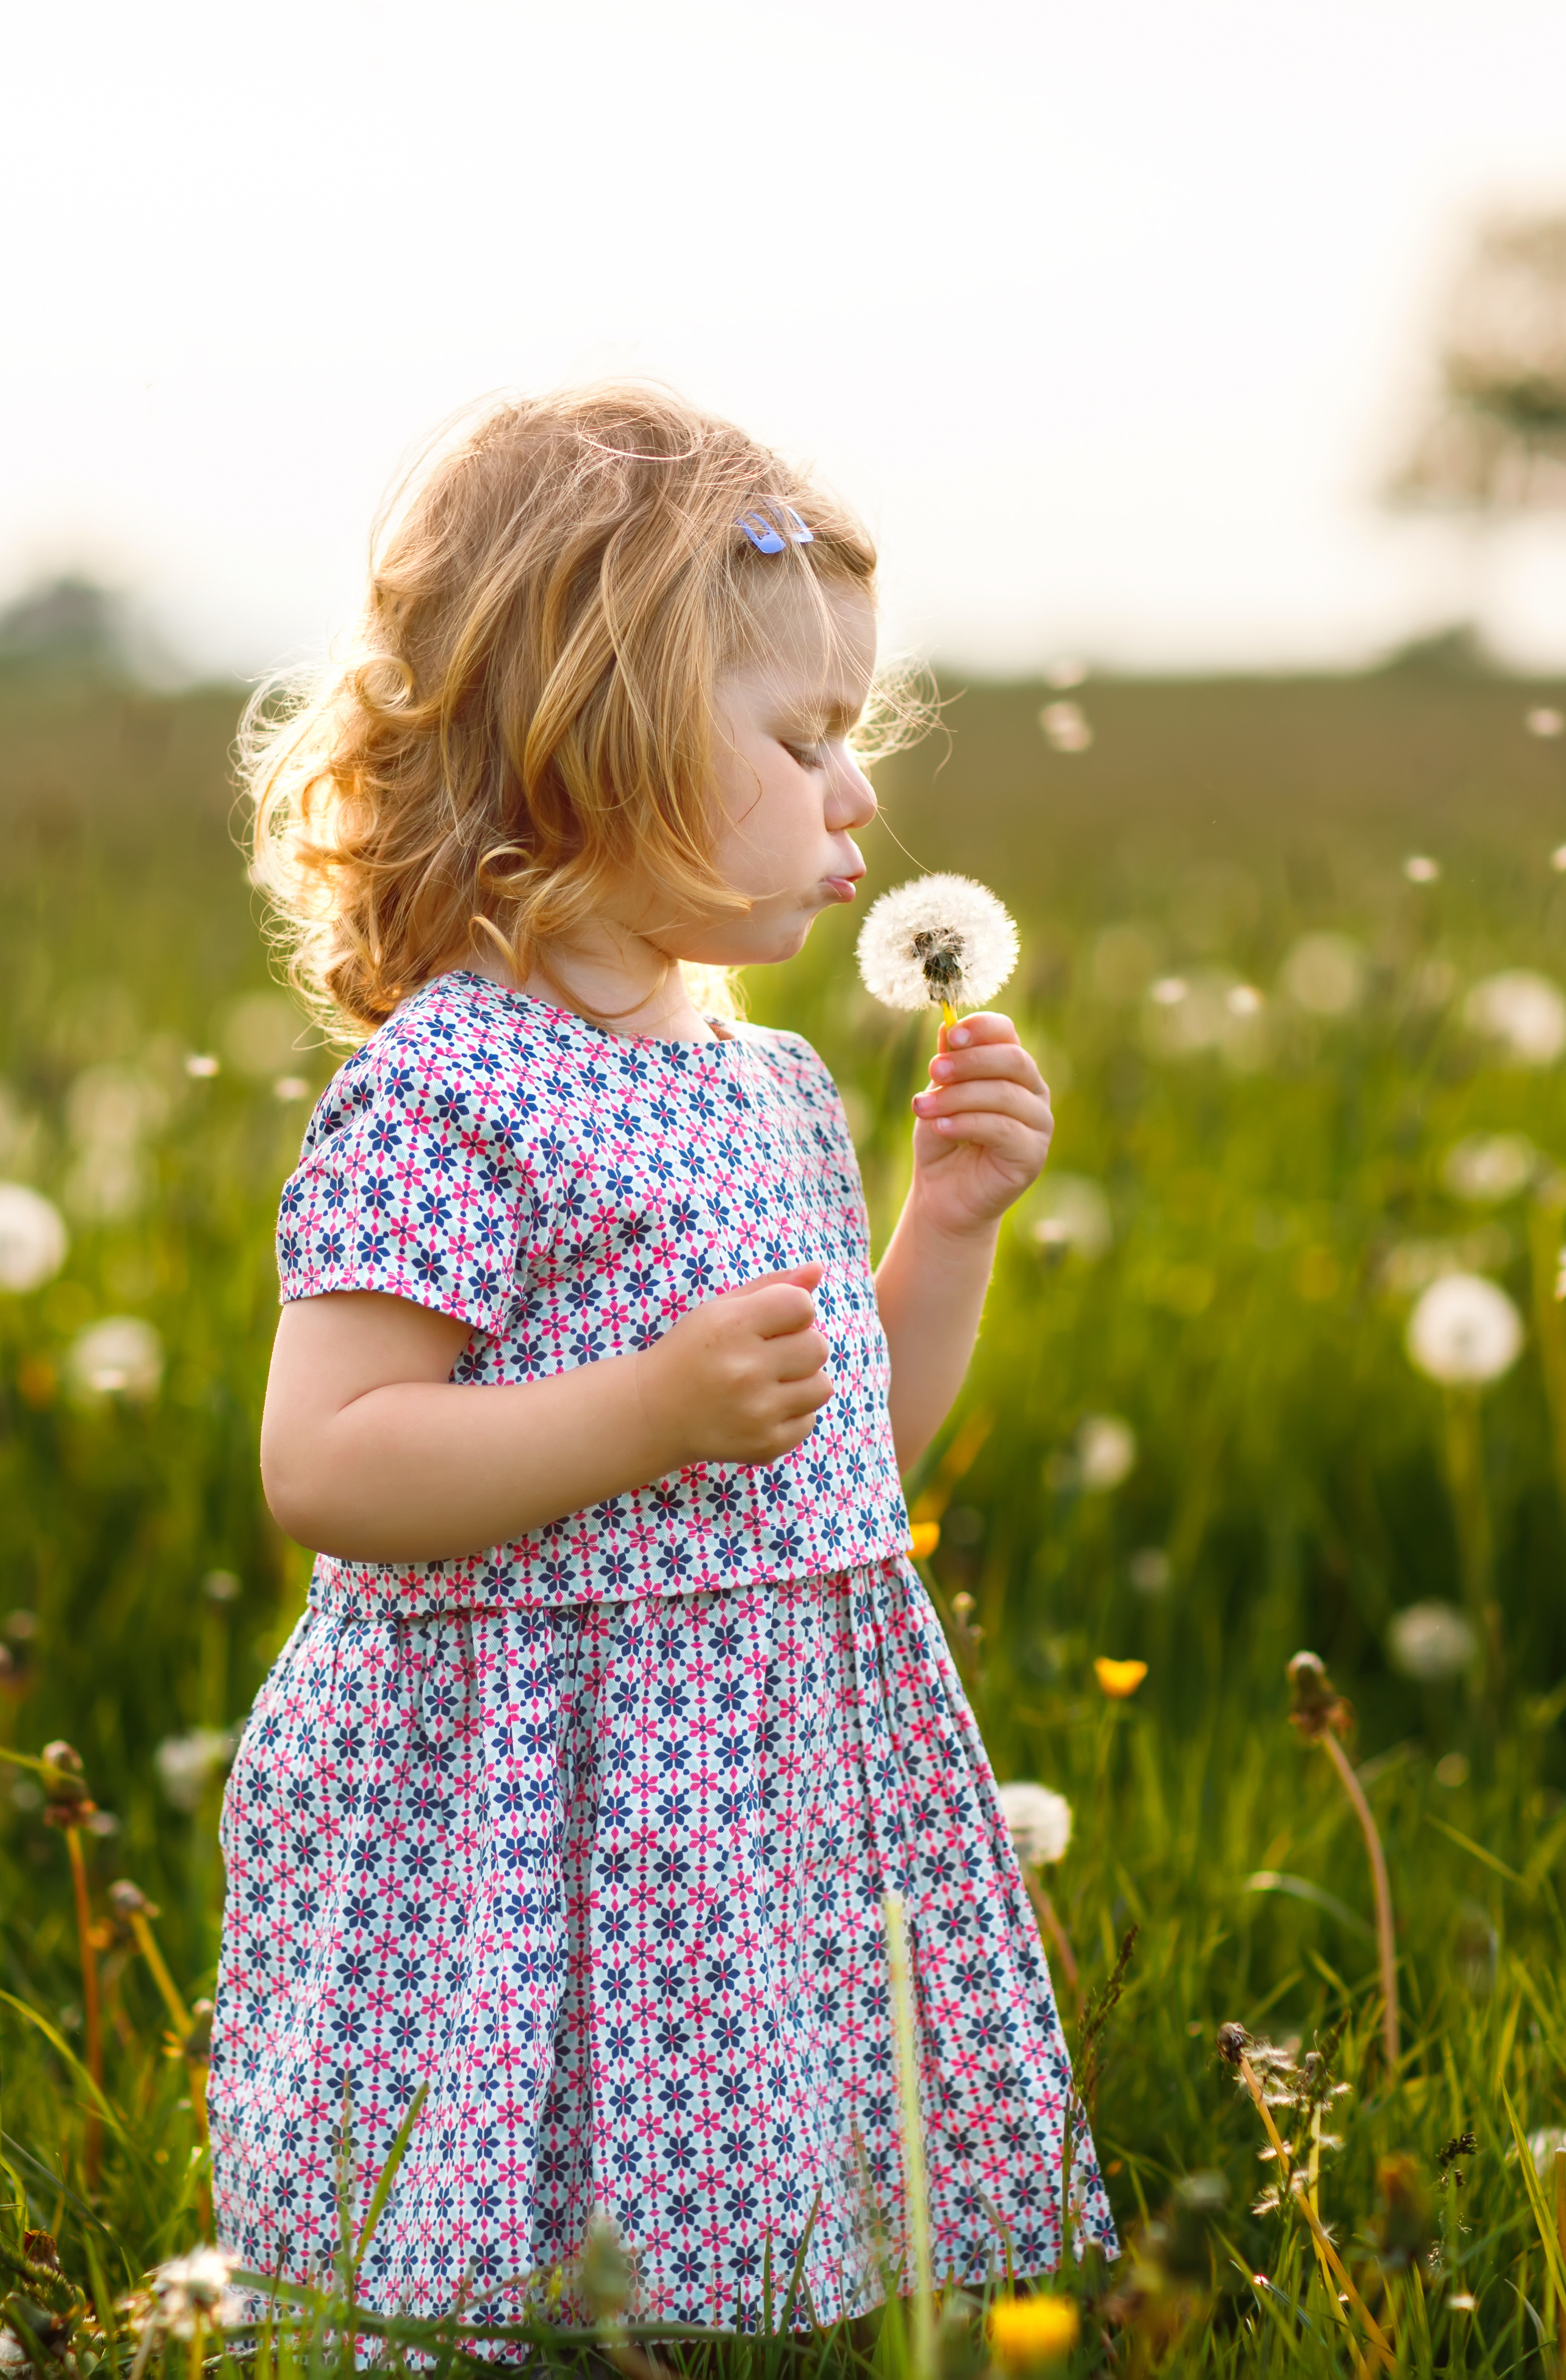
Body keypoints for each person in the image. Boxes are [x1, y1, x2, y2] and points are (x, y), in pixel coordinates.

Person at [212, 381, 1107, 2337]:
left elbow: (835, 1456)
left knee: (722, 2231)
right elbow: (330, 1460)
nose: (857, 792)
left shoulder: (769, 1088)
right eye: (803, 739)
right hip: (515, 1791)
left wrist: (942, 1235)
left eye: (853, 738)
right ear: (593, 749)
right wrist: (644, 1414)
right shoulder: (451, 1091)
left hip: (745, 1770)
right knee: (500, 2217)